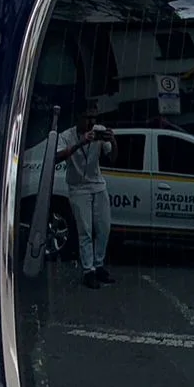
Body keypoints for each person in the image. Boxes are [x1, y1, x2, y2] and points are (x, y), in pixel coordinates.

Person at [57, 103, 116, 288]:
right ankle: (88, 270)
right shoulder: (66, 136)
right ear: (79, 118)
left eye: (94, 118)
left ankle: (99, 265)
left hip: (98, 184)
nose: (91, 122)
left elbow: (113, 158)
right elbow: (58, 156)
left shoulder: (98, 131)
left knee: (104, 227)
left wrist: (112, 140)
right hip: (78, 187)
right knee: (85, 230)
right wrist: (82, 142)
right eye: (87, 118)